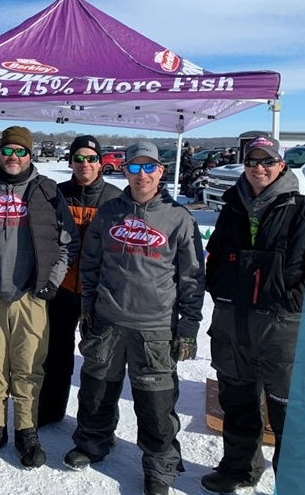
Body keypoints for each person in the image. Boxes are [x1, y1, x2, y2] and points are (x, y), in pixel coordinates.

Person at [63, 141, 205, 495]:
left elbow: (191, 278)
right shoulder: (109, 213)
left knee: (155, 403)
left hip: (154, 326)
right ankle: (94, 441)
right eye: (134, 167)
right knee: (96, 388)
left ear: (159, 171)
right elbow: (91, 265)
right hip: (108, 320)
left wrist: (187, 328)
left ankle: (160, 464)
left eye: (148, 167)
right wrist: (88, 307)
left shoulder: (179, 218)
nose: (141, 175)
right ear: (124, 170)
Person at [200, 135, 305, 494]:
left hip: (283, 331)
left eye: (267, 161)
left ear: (281, 165)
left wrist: (298, 300)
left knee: (293, 416)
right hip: (232, 325)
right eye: (252, 161)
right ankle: (239, 468)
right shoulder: (231, 208)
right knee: (238, 403)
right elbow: (214, 260)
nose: (259, 168)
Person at [0, 126, 79, 469]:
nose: (13, 157)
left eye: (20, 151)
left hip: (31, 296)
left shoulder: (47, 191)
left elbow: (68, 242)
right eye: (8, 150)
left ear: (30, 155)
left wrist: (51, 282)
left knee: (28, 367)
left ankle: (26, 429)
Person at [37, 135, 122, 427]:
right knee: (56, 354)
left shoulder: (115, 199)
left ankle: (97, 423)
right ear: (71, 161)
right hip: (61, 289)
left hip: (97, 294)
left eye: (91, 158)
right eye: (79, 158)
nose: (85, 164)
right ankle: (50, 410)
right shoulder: (56, 195)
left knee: (100, 361)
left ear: (100, 163)